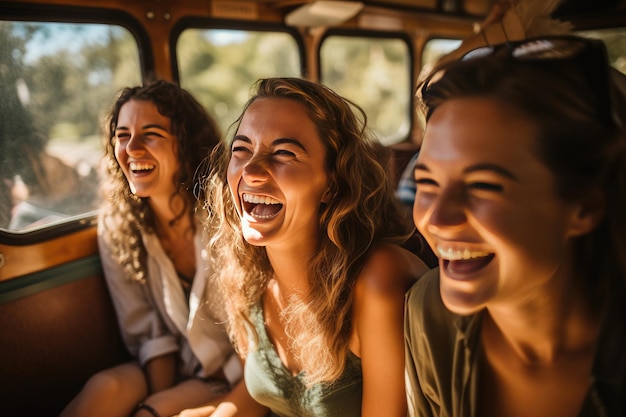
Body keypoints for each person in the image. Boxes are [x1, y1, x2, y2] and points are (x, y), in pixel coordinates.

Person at [180, 77, 429, 417]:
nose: (251, 170)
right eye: (241, 149)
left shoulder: (376, 280)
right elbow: (260, 395)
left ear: (332, 183)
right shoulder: (246, 275)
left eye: (284, 153)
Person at [405, 35, 626, 417]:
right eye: (427, 183)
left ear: (583, 207)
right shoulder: (428, 312)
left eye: (482, 186)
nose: (438, 219)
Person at [60, 80, 242, 417]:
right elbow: (148, 335)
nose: (132, 149)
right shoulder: (118, 225)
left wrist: (158, 407)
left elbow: (257, 332)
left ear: (185, 144)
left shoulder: (227, 214)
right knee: (104, 389)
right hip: (173, 366)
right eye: (122, 135)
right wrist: (164, 395)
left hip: (234, 372)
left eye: (151, 134)